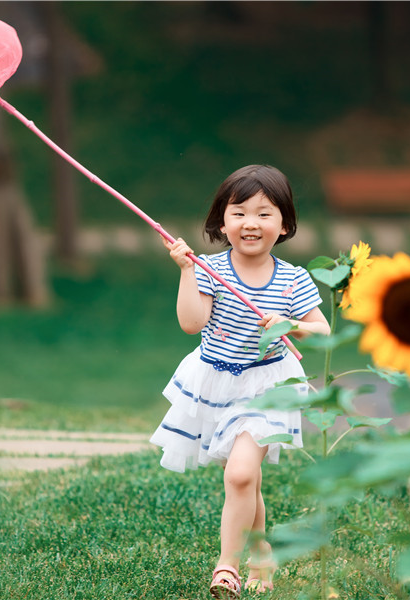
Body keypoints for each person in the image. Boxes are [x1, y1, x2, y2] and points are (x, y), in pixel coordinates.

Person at [149, 165, 330, 598]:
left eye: (265, 214)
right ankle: (260, 551)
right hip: (216, 382)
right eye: (239, 213)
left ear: (284, 224)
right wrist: (185, 271)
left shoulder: (293, 279)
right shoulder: (209, 269)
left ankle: (225, 567)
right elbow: (192, 324)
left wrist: (290, 323)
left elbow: (324, 331)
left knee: (241, 474)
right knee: (244, 479)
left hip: (268, 386)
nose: (251, 223)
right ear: (222, 222)